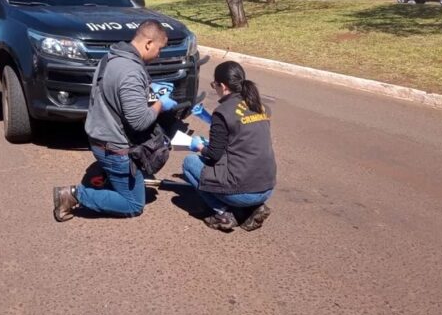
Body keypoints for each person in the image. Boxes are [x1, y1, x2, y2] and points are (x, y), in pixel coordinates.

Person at [53, 19, 178, 222]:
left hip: (98, 135)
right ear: (148, 43)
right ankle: (73, 195)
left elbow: (117, 96)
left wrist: (149, 92)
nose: (159, 54)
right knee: (134, 204)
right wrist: (160, 105)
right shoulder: (130, 71)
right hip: (113, 148)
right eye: (159, 48)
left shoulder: (111, 57)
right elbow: (139, 122)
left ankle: (107, 176)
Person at [182, 61, 276, 232]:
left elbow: (214, 155)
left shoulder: (223, 110)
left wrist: (197, 146)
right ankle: (253, 208)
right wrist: (206, 119)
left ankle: (222, 213)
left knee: (189, 163)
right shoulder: (259, 105)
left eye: (214, 85)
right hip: (267, 187)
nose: (215, 89)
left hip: (244, 191)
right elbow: (239, 133)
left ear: (223, 86)